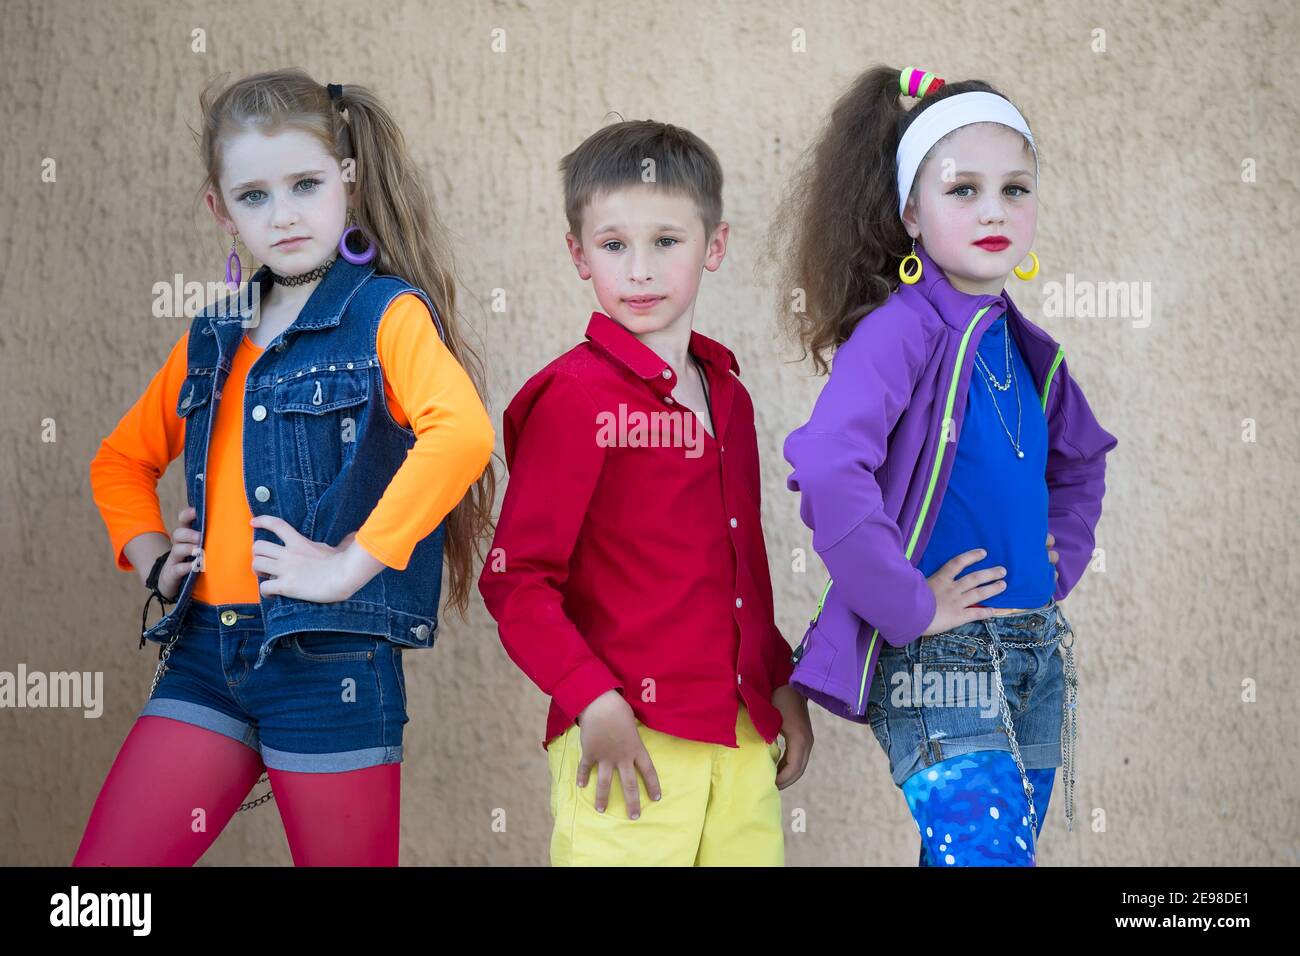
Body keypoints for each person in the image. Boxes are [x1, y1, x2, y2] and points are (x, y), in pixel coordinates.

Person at [74, 70, 496, 866]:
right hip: (205, 655)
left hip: (329, 664)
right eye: (255, 195)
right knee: (100, 890)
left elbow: (462, 433)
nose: (285, 213)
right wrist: (154, 557)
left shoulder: (385, 313)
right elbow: (119, 462)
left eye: (305, 183)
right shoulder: (213, 334)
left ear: (348, 179)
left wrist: (347, 567)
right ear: (220, 209)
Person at [773, 65, 1117, 865]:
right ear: (911, 216)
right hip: (941, 665)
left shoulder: (1024, 347)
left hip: (1036, 656)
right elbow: (828, 465)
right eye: (962, 190)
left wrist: (1060, 555)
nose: (994, 209)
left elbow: (1083, 461)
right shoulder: (903, 331)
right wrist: (906, 603)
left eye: (1016, 189)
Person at [479, 119, 813, 866]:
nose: (640, 270)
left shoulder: (728, 395)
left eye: (667, 241)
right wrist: (594, 700)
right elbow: (517, 582)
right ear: (578, 254)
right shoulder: (574, 398)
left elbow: (741, 570)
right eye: (614, 244)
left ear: (714, 246)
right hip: (626, 741)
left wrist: (776, 679)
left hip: (739, 737)